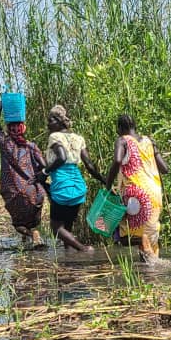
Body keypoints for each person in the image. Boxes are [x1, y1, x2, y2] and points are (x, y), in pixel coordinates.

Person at [104, 114, 169, 263]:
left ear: (120, 128)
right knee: (149, 232)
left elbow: (117, 160)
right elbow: (165, 169)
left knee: (125, 236)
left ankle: (146, 253)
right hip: (154, 192)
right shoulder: (149, 141)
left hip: (136, 193)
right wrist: (155, 150)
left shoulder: (122, 141)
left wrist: (108, 184)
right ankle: (151, 270)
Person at [42, 105, 106, 251]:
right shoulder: (78, 138)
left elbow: (62, 158)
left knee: (56, 228)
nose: (48, 124)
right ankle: (69, 260)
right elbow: (89, 166)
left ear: (59, 122)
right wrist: (105, 181)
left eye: (51, 120)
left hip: (62, 187)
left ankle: (83, 249)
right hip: (78, 188)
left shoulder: (55, 137)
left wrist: (44, 172)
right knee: (68, 228)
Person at [0, 103, 48, 246]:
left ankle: (31, 235)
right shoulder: (32, 146)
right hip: (34, 192)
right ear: (23, 129)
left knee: (18, 224)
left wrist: (1, 107)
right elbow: (45, 166)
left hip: (14, 192)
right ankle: (29, 240)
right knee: (30, 220)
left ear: (9, 130)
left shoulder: (5, 144)